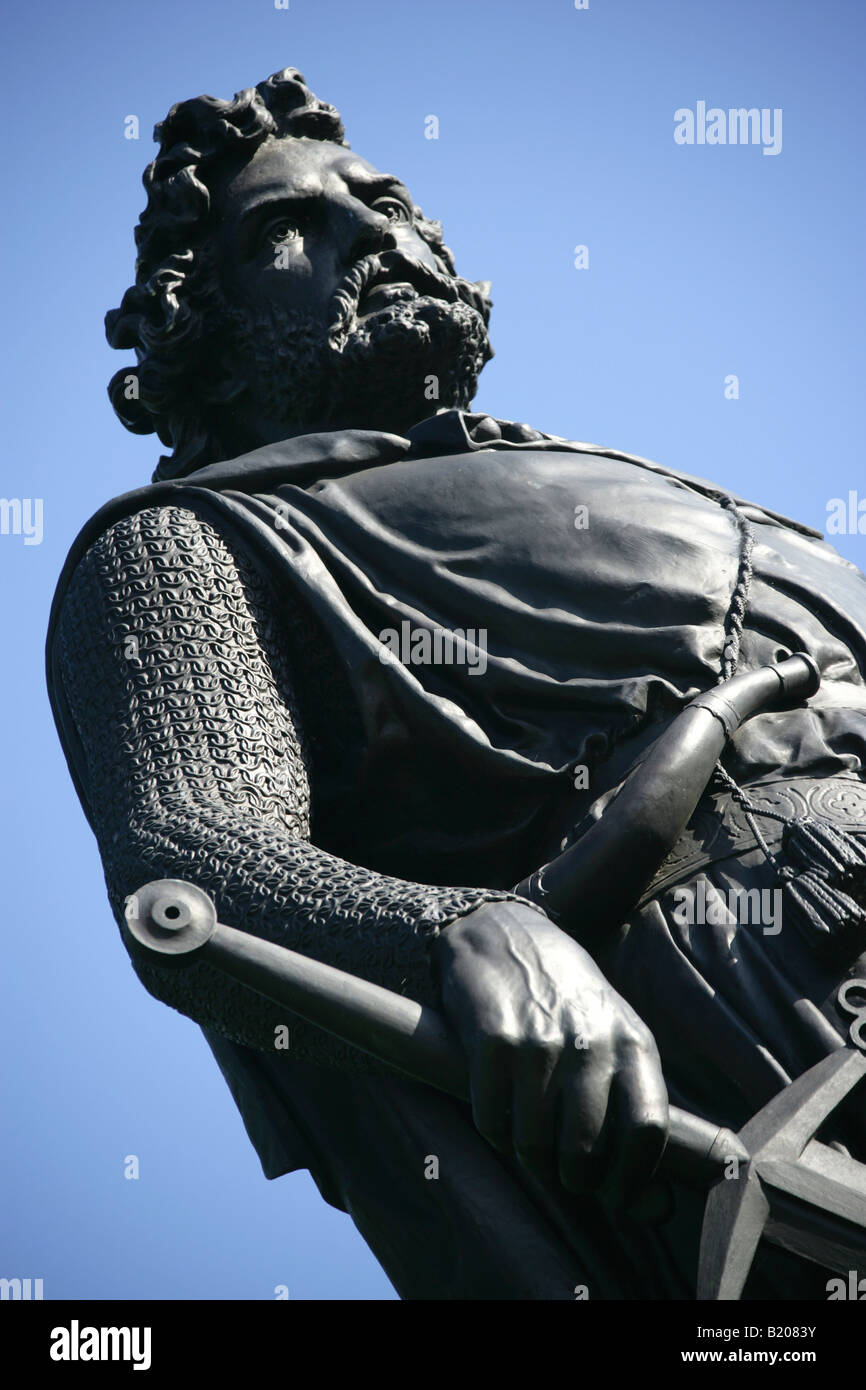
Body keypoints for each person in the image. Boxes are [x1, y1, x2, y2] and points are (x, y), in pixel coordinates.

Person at [47, 68, 866, 1299]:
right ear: (198, 339)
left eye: (385, 200)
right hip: (739, 1008)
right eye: (286, 230)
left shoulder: (640, 476)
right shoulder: (195, 539)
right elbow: (194, 855)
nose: (370, 232)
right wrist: (459, 934)